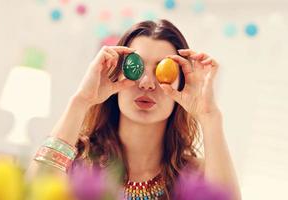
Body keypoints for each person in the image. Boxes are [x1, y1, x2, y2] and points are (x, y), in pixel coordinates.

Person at [26, 19, 241, 200]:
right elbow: (32, 193)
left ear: (181, 84)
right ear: (117, 74)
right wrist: (82, 100)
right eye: (136, 68)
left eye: (162, 70)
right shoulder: (77, 161)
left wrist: (209, 116)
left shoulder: (194, 176)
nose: (147, 83)